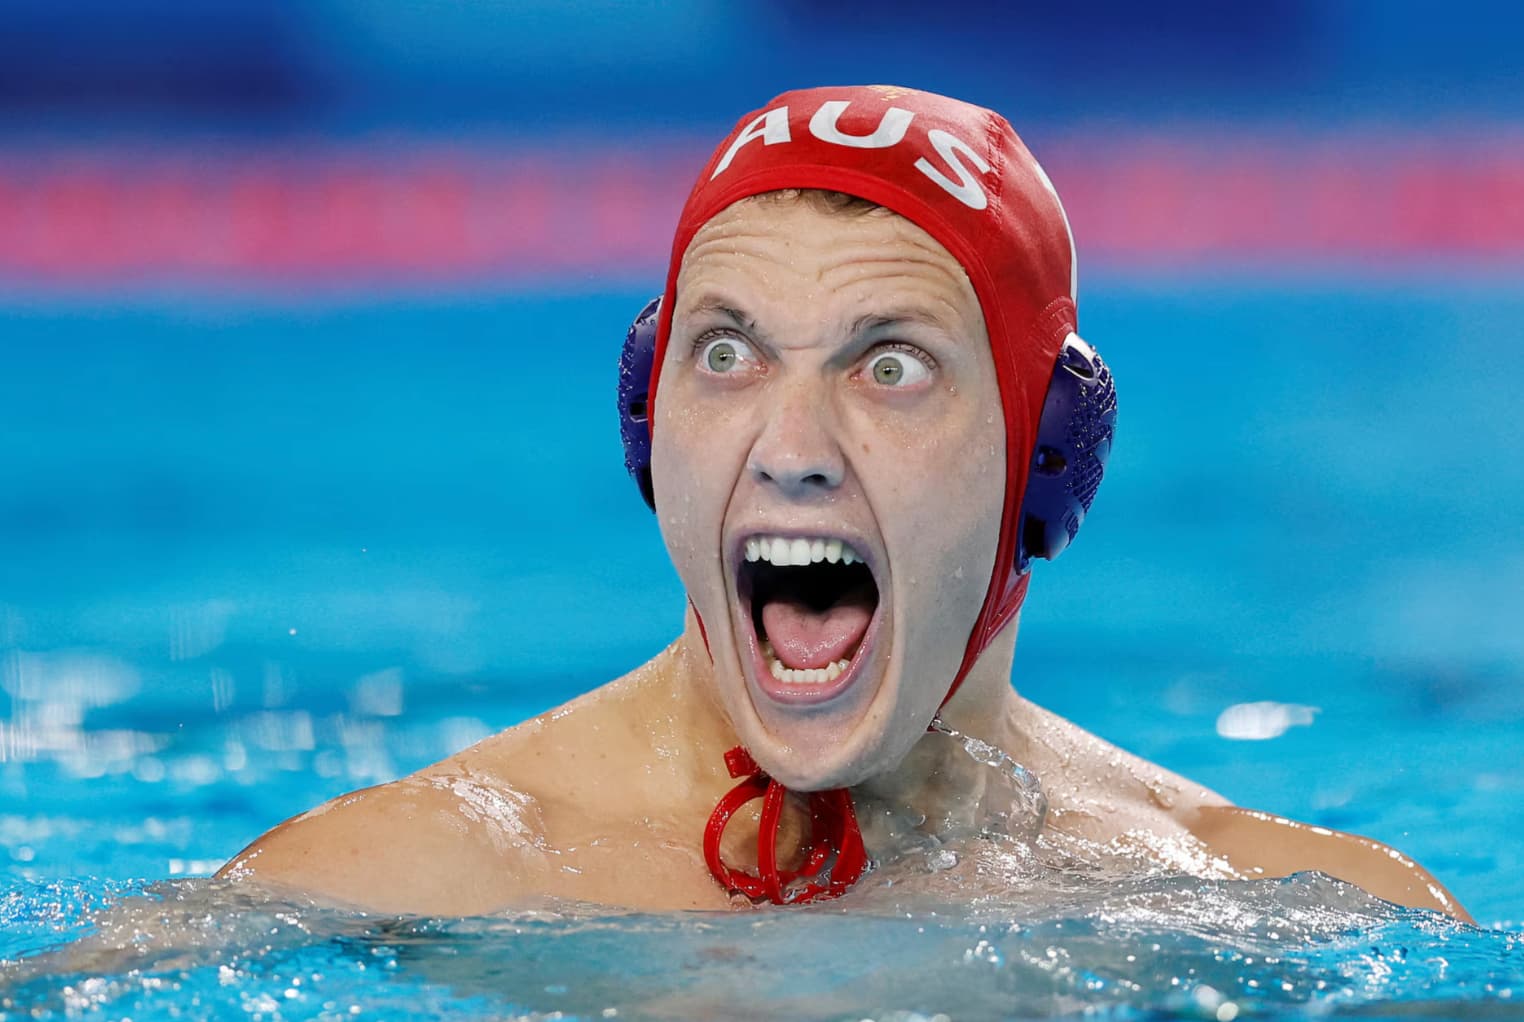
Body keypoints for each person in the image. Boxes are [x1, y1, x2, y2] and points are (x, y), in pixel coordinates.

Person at [218, 85, 1470, 921]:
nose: (795, 448)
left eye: (891, 365)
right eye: (727, 353)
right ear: (647, 425)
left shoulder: (1273, 905)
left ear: (1050, 454)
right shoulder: (402, 879)